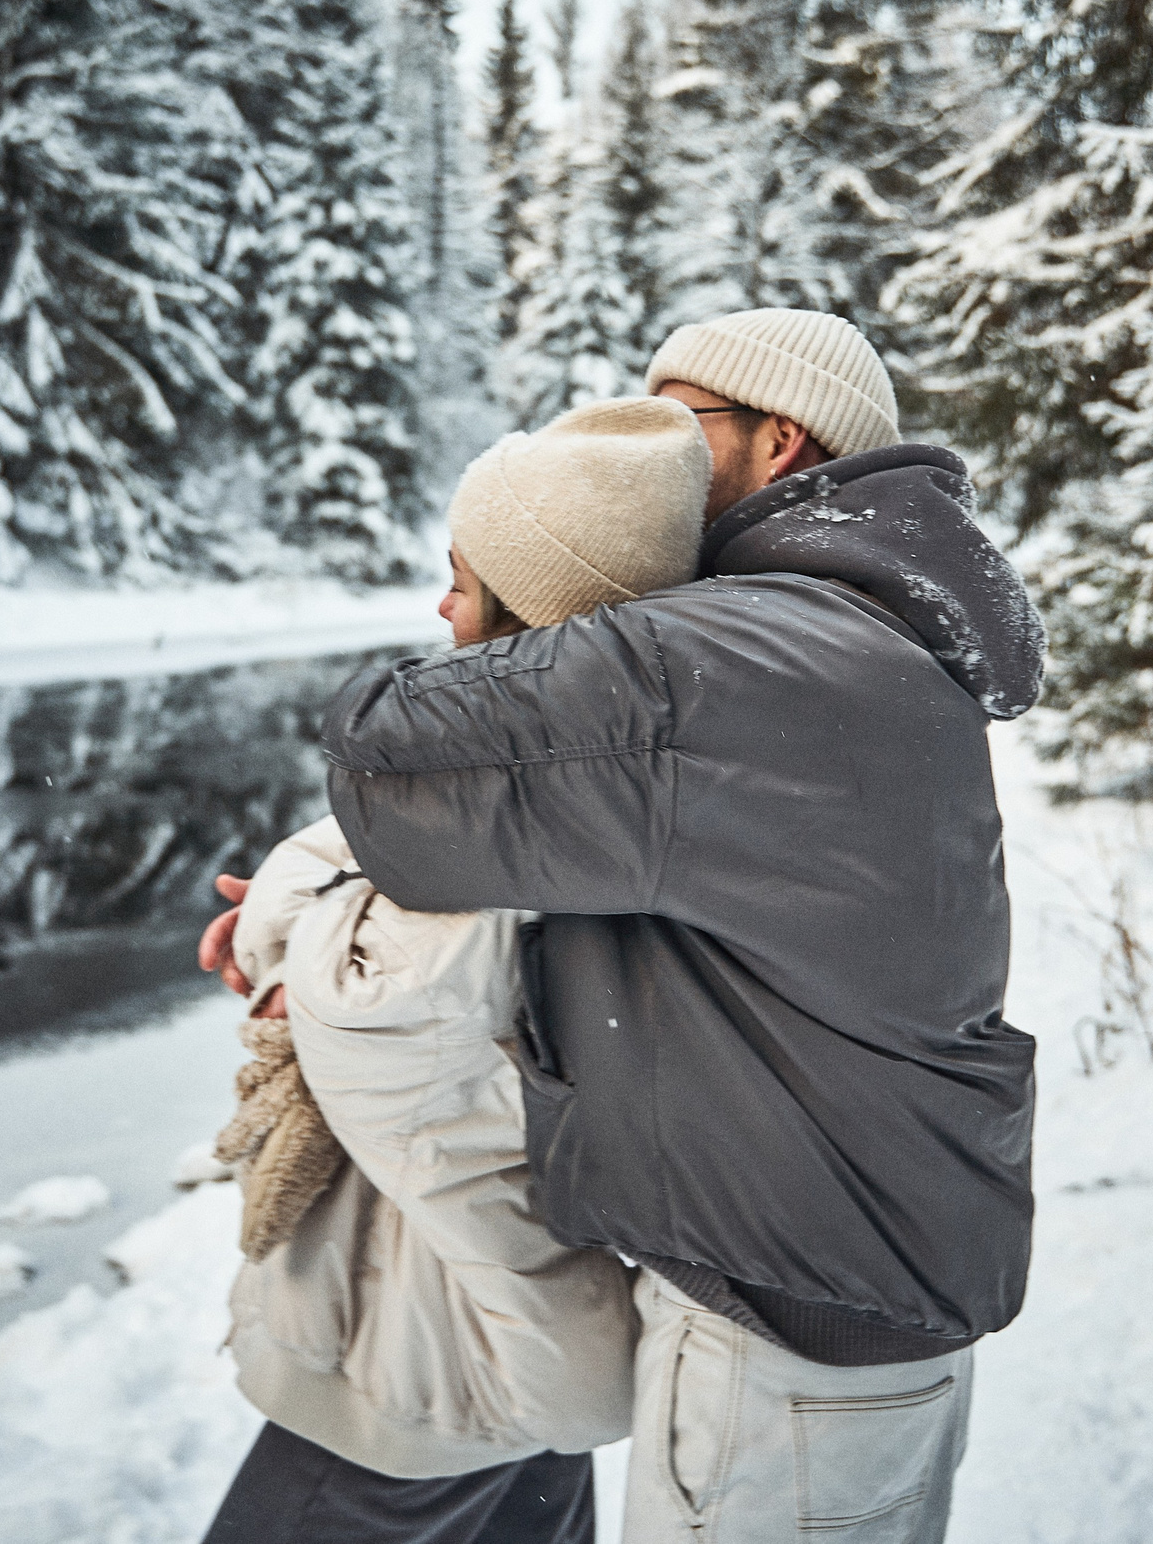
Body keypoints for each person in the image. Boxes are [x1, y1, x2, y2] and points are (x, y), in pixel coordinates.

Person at [318, 308, 1048, 1543]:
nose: (646, 451)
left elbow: (397, 766)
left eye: (681, 423)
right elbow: (566, 806)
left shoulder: (749, 655)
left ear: (781, 442)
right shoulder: (835, 638)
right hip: (838, 1294)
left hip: (787, 1337)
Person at [198, 397, 716, 1544]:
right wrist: (318, 892)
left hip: (416, 1372)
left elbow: (372, 1005)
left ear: (531, 606)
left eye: (462, 580)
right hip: (516, 1345)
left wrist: (285, 922)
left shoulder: (504, 807)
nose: (439, 605)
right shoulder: (613, 776)